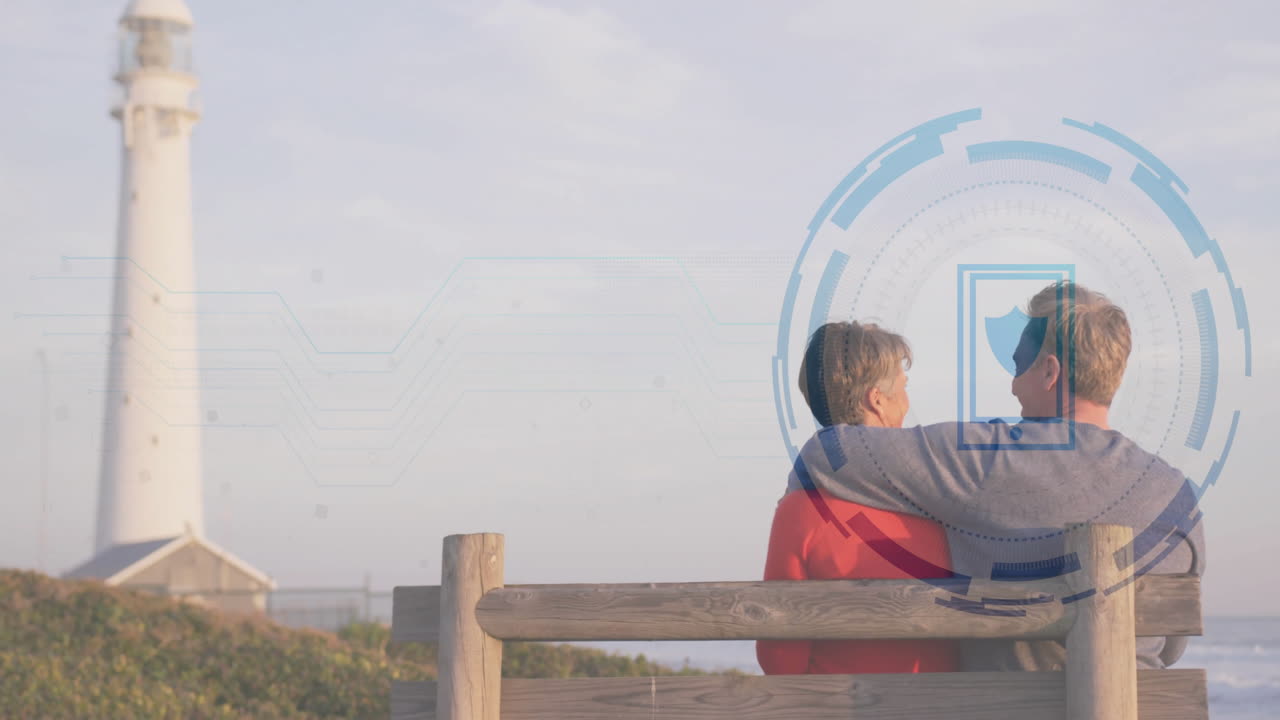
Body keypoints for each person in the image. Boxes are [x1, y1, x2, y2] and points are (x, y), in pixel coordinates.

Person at [785, 281, 1204, 671]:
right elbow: (1171, 647)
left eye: (1019, 365)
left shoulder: (986, 461)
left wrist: (799, 512)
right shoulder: (1177, 497)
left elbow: (829, 453)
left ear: (1050, 372)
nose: (1013, 386)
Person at [756, 321, 957, 674]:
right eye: (903, 387)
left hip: (833, 700)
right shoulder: (941, 496)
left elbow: (779, 656)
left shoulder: (799, 511)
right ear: (876, 400)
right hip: (945, 697)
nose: (907, 402)